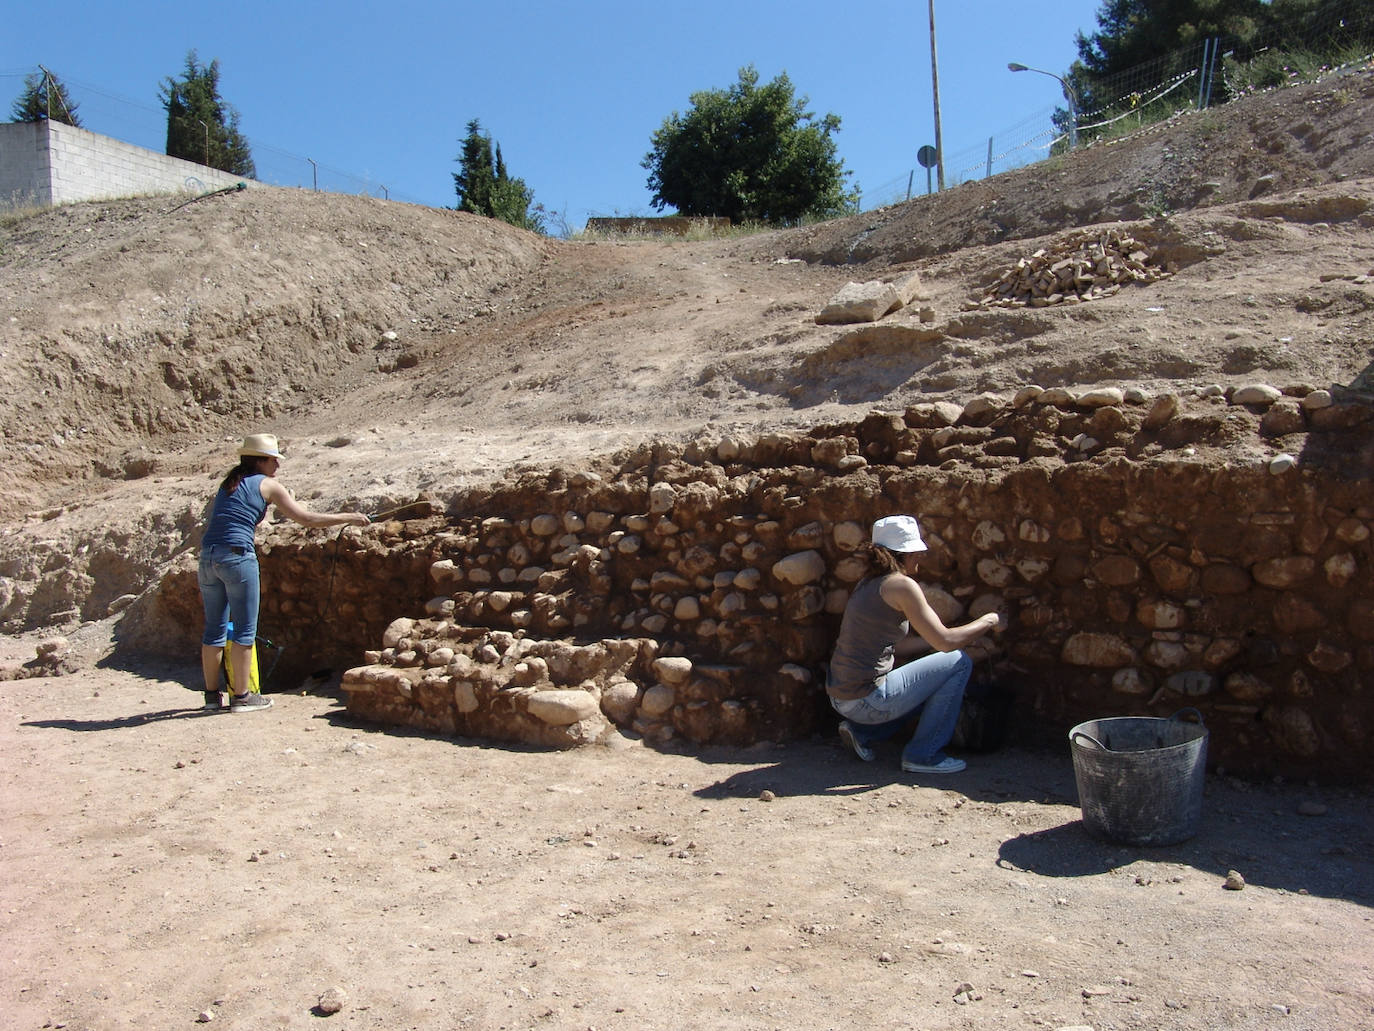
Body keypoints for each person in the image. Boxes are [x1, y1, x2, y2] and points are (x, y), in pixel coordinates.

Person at [198, 433, 370, 712]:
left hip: (208, 556)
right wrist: (348, 517)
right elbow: (306, 519)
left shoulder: (229, 484)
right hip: (237, 557)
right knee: (244, 629)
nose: (277, 465)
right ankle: (242, 697)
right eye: (273, 460)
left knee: (214, 630)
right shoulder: (269, 485)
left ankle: (210, 697)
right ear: (261, 461)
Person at [826, 515, 1002, 774]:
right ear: (901, 554)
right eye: (914, 551)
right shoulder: (901, 586)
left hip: (842, 698)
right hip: (866, 701)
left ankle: (862, 732)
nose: (919, 556)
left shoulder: (868, 583)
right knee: (958, 662)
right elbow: (946, 642)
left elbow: (894, 648)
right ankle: (923, 755)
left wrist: (929, 648)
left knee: (933, 684)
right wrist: (988, 620)